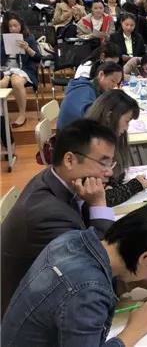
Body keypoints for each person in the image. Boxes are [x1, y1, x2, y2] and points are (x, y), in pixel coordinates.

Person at [2, 204, 147, 346]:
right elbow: (84, 294)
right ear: (146, 257)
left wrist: (130, 283)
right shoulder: (88, 292)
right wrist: (134, 330)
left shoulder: (72, 238)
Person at [0, 119, 118, 315]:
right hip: (29, 315)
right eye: (103, 163)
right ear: (69, 160)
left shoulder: (56, 178)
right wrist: (98, 203)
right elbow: (98, 263)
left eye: (111, 163)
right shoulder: (47, 214)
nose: (110, 172)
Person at [86, 90, 147, 206]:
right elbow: (101, 199)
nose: (126, 128)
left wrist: (111, 185)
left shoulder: (107, 140)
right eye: (127, 121)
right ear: (109, 116)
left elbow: (118, 174)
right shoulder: (90, 146)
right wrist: (135, 185)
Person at [0, 12, 42, 128]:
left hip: (24, 69)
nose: (13, 28)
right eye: (10, 26)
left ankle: (22, 115)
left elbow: (38, 57)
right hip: (6, 69)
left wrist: (27, 48)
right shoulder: (2, 39)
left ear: (21, 26)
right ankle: (2, 115)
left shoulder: (29, 38)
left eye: (16, 25)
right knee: (2, 83)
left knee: (16, 81)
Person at [57, 62, 123, 130]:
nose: (114, 86)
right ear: (101, 75)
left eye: (117, 83)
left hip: (76, 129)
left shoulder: (94, 88)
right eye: (113, 81)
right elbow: (91, 116)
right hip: (69, 134)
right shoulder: (84, 90)